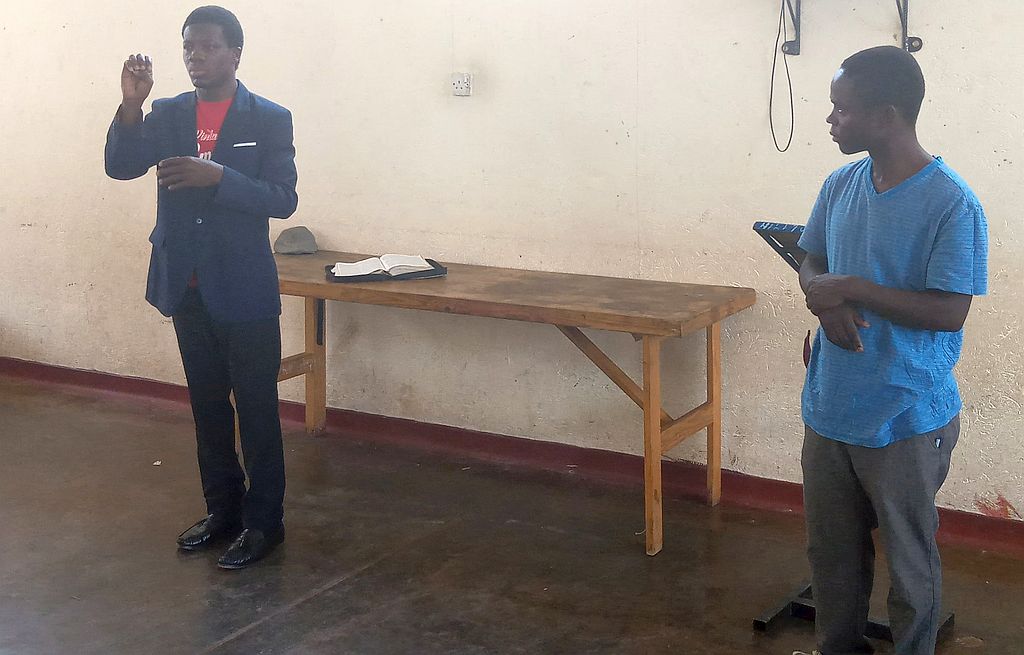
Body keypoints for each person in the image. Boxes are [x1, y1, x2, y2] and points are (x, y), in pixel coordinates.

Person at [792, 46, 988, 655]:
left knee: (909, 565)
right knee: (833, 559)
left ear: (888, 115)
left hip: (906, 416)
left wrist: (851, 290)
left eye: (841, 110)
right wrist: (823, 301)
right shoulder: (840, 184)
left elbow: (949, 310)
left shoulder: (952, 203)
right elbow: (811, 259)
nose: (830, 120)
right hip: (831, 407)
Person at [105, 5, 298, 569]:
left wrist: (221, 178)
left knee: (257, 409)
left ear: (235, 53)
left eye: (208, 47)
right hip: (185, 285)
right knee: (208, 406)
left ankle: (265, 524)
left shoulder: (268, 118)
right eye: (188, 47)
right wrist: (131, 106)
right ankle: (224, 511)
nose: (196, 56)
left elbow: (282, 197)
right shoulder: (165, 114)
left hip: (244, 288)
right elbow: (120, 166)